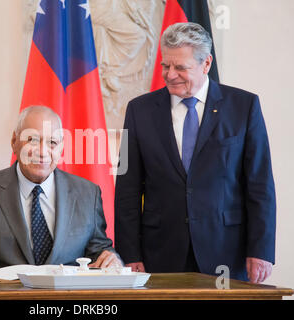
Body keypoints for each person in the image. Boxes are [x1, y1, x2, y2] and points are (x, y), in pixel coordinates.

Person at [114, 22, 276, 283]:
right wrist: (129, 253)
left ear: (206, 64)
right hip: (159, 252)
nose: (170, 74)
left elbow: (260, 184)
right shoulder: (138, 110)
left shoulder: (244, 107)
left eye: (180, 67)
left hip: (226, 251)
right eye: (165, 66)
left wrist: (261, 250)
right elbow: (127, 189)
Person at [0, 106, 121, 278]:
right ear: (14, 142)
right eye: (32, 140)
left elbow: (99, 251)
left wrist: (112, 259)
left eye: (52, 142)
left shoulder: (88, 194)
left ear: (62, 148)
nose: (42, 152)